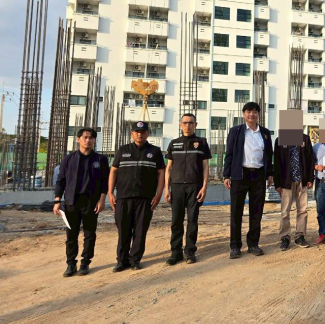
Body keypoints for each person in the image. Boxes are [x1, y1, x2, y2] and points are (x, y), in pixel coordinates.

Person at [108, 121, 166, 271]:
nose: (140, 134)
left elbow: (161, 173)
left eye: (143, 132)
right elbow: (114, 171)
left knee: (140, 231)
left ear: (147, 134)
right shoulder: (123, 150)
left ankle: (135, 260)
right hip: (123, 197)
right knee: (123, 230)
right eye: (137, 132)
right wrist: (110, 192)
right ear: (132, 134)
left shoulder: (155, 151)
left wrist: (159, 194)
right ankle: (122, 260)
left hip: (145, 198)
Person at [53, 127, 110, 277]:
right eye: (85, 137)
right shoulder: (69, 159)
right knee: (71, 235)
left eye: (91, 138)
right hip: (71, 202)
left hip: (91, 202)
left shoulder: (100, 160)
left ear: (94, 140)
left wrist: (102, 200)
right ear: (78, 139)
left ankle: (85, 262)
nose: (88, 140)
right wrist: (57, 200)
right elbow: (61, 180)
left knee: (89, 234)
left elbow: (105, 182)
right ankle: (71, 264)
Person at [223, 102, 274, 259]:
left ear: (258, 114)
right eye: (248, 112)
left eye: (254, 111)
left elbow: (269, 154)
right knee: (236, 212)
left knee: (256, 211)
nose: (251, 114)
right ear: (244, 114)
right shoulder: (236, 131)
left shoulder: (265, 133)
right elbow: (229, 153)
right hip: (240, 175)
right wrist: (226, 175)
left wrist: (270, 174)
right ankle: (235, 246)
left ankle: (253, 244)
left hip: (258, 175)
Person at [164, 113, 212, 265]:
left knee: (192, 220)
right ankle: (175, 252)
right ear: (180, 125)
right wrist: (167, 189)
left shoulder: (201, 143)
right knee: (176, 221)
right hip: (177, 187)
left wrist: (204, 187)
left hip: (194, 186)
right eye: (185, 122)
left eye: (191, 123)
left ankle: (190, 252)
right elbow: (168, 168)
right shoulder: (174, 144)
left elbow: (205, 167)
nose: (187, 125)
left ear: (195, 125)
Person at [273, 128, 315, 250]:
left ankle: (300, 236)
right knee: (285, 211)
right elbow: (277, 162)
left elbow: (310, 159)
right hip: (286, 182)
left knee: (302, 210)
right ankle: (285, 237)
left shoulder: (305, 139)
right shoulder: (280, 140)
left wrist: (310, 178)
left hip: (302, 181)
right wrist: (277, 184)